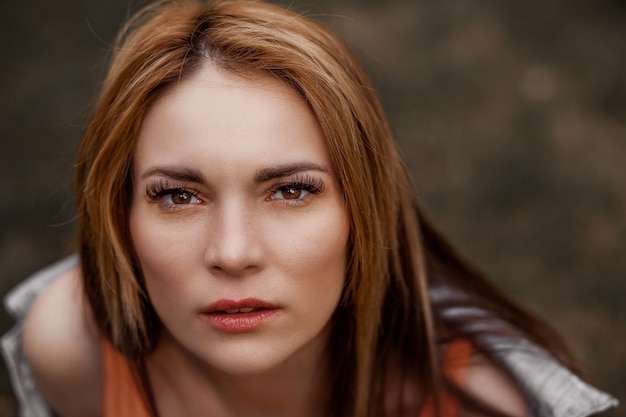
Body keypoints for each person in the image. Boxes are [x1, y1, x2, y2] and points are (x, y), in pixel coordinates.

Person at [0, 1, 617, 416]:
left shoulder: (484, 402)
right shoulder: (72, 352)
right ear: (120, 218)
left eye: (291, 190)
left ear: (363, 210)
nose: (234, 253)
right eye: (178, 196)